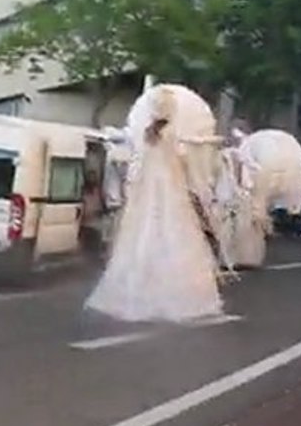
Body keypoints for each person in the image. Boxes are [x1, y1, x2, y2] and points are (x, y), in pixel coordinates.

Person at [86, 89, 223, 323]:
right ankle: (180, 293)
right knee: (175, 234)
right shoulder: (171, 133)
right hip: (171, 188)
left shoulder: (145, 133)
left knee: (142, 235)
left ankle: (136, 288)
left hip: (147, 191)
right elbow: (183, 155)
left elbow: (134, 152)